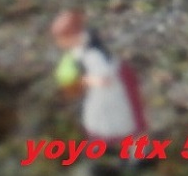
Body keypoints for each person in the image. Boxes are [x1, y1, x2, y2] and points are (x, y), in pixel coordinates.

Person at [51, 10, 145, 140]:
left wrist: (83, 81)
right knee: (100, 119)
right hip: (100, 90)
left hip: (113, 87)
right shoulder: (78, 51)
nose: (60, 43)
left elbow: (104, 78)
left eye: (62, 38)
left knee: (125, 119)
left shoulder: (92, 52)